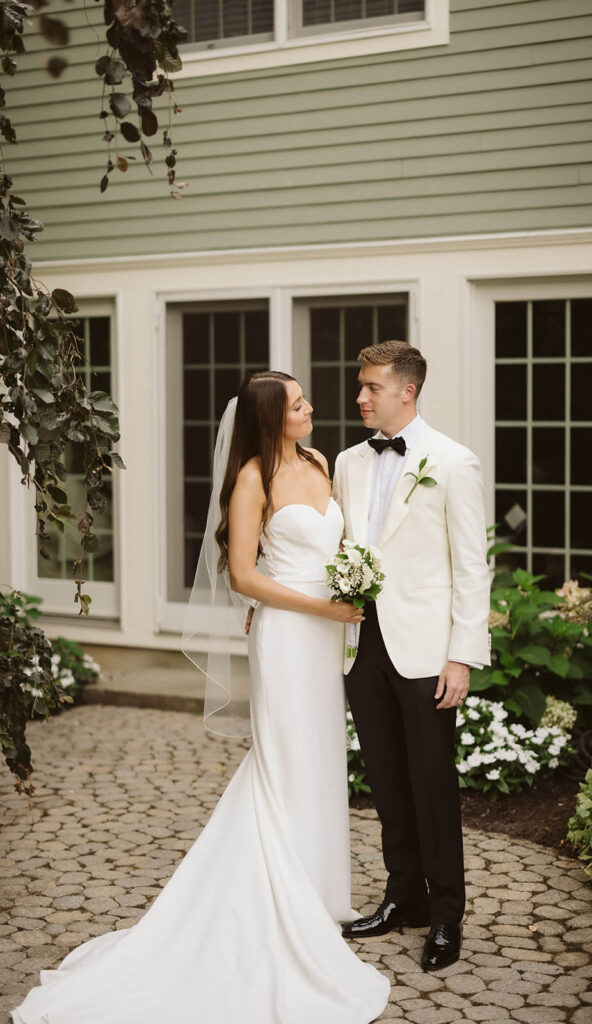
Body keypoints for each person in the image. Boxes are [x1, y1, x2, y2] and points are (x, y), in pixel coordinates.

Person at [12, 371, 390, 1024]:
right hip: (288, 635)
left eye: (305, 399)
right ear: (272, 417)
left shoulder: (320, 460)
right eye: (298, 403)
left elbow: (337, 544)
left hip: (325, 636)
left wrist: (350, 586)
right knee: (285, 763)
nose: (311, 408)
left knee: (322, 759)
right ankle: (275, 908)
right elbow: (244, 573)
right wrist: (320, 606)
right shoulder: (252, 478)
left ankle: (320, 894)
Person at [332, 342, 491, 972]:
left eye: (371, 387)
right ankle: (404, 897)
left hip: (426, 650)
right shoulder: (347, 462)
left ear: (407, 391)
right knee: (386, 781)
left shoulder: (453, 462)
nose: (360, 397)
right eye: (360, 386)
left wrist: (462, 656)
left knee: (431, 782)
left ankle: (447, 914)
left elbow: (471, 568)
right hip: (360, 645)